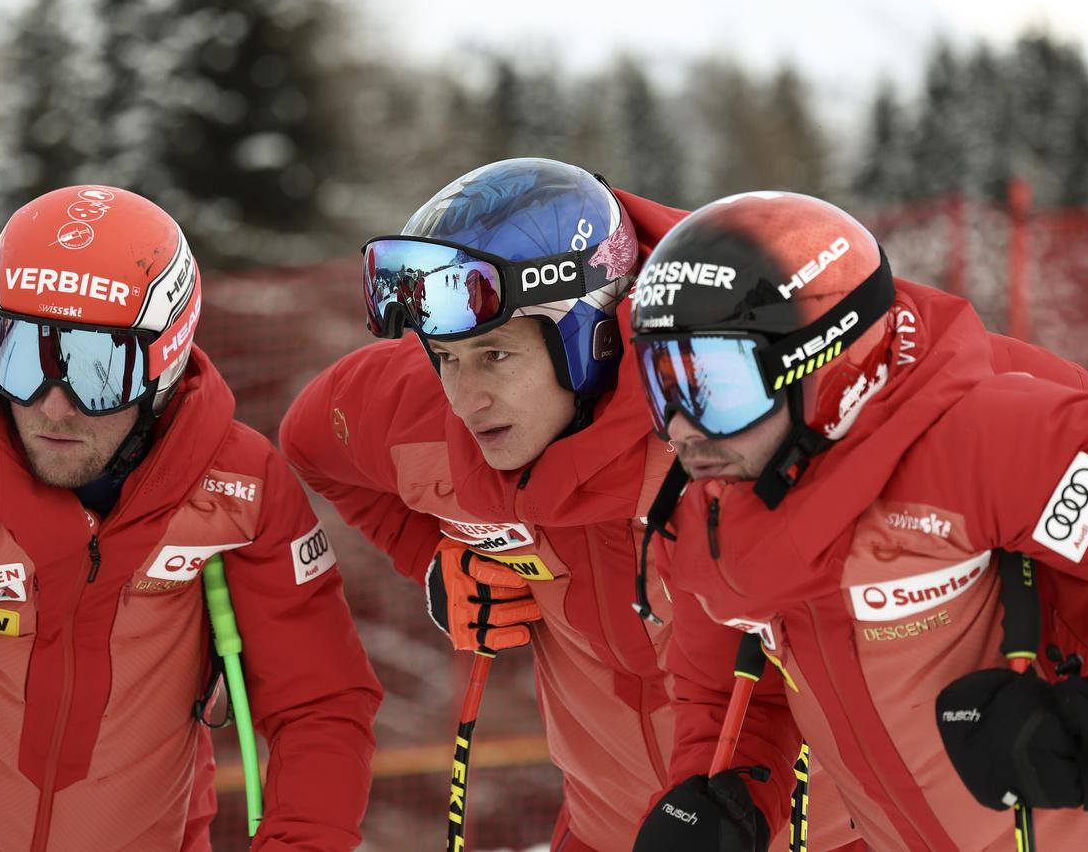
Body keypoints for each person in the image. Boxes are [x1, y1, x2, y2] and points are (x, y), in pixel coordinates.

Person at [280, 159, 861, 851]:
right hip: (601, 830)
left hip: (827, 832)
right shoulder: (430, 410)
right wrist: (438, 560)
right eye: (444, 356)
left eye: (496, 356)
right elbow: (313, 441)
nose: (465, 399)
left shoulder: (732, 418)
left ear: (592, 338)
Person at [0, 186, 381, 851]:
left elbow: (319, 704)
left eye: (100, 369)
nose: (54, 405)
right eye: (23, 355)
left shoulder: (241, 493)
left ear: (165, 362)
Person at [628, 190, 1088, 851]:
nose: (685, 428)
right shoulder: (708, 513)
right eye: (665, 383)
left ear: (827, 362)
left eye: (719, 385)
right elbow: (732, 695)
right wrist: (719, 794)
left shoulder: (978, 440)